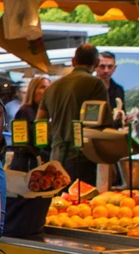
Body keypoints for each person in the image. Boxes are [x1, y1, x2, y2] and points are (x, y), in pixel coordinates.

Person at [41, 44, 111, 185]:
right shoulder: (95, 84)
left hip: (55, 157)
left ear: (73, 61)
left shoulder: (52, 87)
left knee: (57, 204)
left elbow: (39, 122)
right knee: (80, 204)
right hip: (82, 158)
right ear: (96, 63)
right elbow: (101, 122)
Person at [96, 52, 127, 129]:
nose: (106, 70)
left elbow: (122, 114)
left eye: (110, 67)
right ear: (95, 66)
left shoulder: (118, 90)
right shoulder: (88, 88)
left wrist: (124, 119)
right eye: (102, 66)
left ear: (114, 68)